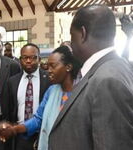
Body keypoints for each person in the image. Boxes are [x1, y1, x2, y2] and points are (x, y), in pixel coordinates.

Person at [48, 5, 133, 150]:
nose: (71, 43)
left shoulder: (107, 81)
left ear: (82, 34)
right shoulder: (112, 67)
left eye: (71, 35)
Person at [9, 46, 81, 150]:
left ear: (68, 67)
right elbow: (38, 119)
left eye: (53, 66)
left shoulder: (82, 92)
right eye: (48, 66)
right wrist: (15, 129)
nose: (49, 71)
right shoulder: (51, 91)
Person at [7, 43, 51, 150]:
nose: (28, 61)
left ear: (39, 59)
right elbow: (9, 110)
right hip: (19, 136)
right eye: (25, 57)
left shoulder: (49, 80)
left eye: (33, 57)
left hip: (42, 134)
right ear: (20, 59)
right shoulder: (12, 82)